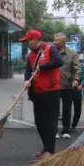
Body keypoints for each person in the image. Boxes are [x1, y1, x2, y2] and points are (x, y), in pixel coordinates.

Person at [19, 29, 63, 157]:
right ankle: (46, 146)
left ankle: (50, 150)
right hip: (37, 92)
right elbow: (28, 70)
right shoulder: (31, 55)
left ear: (35, 40)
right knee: (39, 122)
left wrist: (42, 67)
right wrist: (27, 80)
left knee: (50, 121)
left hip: (51, 91)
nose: (27, 43)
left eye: (28, 41)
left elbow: (59, 62)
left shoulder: (50, 49)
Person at [55, 32, 82, 139]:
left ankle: (66, 130)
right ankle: (54, 130)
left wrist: (76, 79)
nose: (54, 42)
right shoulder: (51, 52)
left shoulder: (72, 54)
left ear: (62, 42)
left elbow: (77, 68)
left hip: (67, 85)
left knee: (67, 109)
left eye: (56, 41)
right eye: (54, 40)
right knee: (55, 110)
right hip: (54, 86)